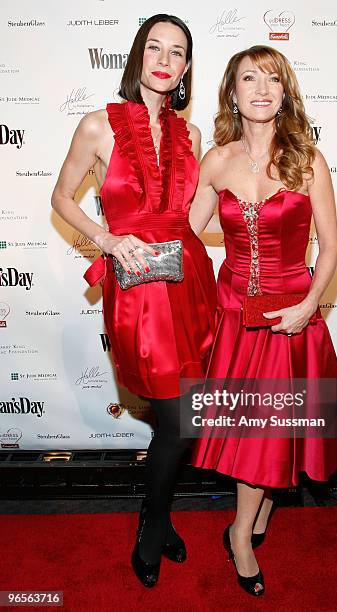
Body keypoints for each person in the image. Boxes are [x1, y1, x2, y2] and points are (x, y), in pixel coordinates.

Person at [189, 45, 337, 596]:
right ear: (232, 93)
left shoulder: (308, 160)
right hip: (237, 315)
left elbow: (332, 248)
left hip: (292, 313)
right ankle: (246, 529)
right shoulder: (217, 161)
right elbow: (188, 233)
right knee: (256, 428)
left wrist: (310, 305)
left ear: (285, 93)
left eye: (272, 79)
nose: (261, 88)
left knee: (273, 428)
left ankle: (244, 525)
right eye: (248, 79)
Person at [51, 14, 216, 588]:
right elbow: (62, 196)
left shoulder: (192, 137)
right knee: (172, 415)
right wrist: (107, 239)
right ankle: (155, 522)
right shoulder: (98, 126)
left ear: (187, 68)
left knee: (183, 419)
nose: (165, 59)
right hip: (137, 288)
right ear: (138, 55)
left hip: (189, 280)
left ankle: (156, 515)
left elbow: (197, 214)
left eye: (177, 52)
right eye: (155, 47)